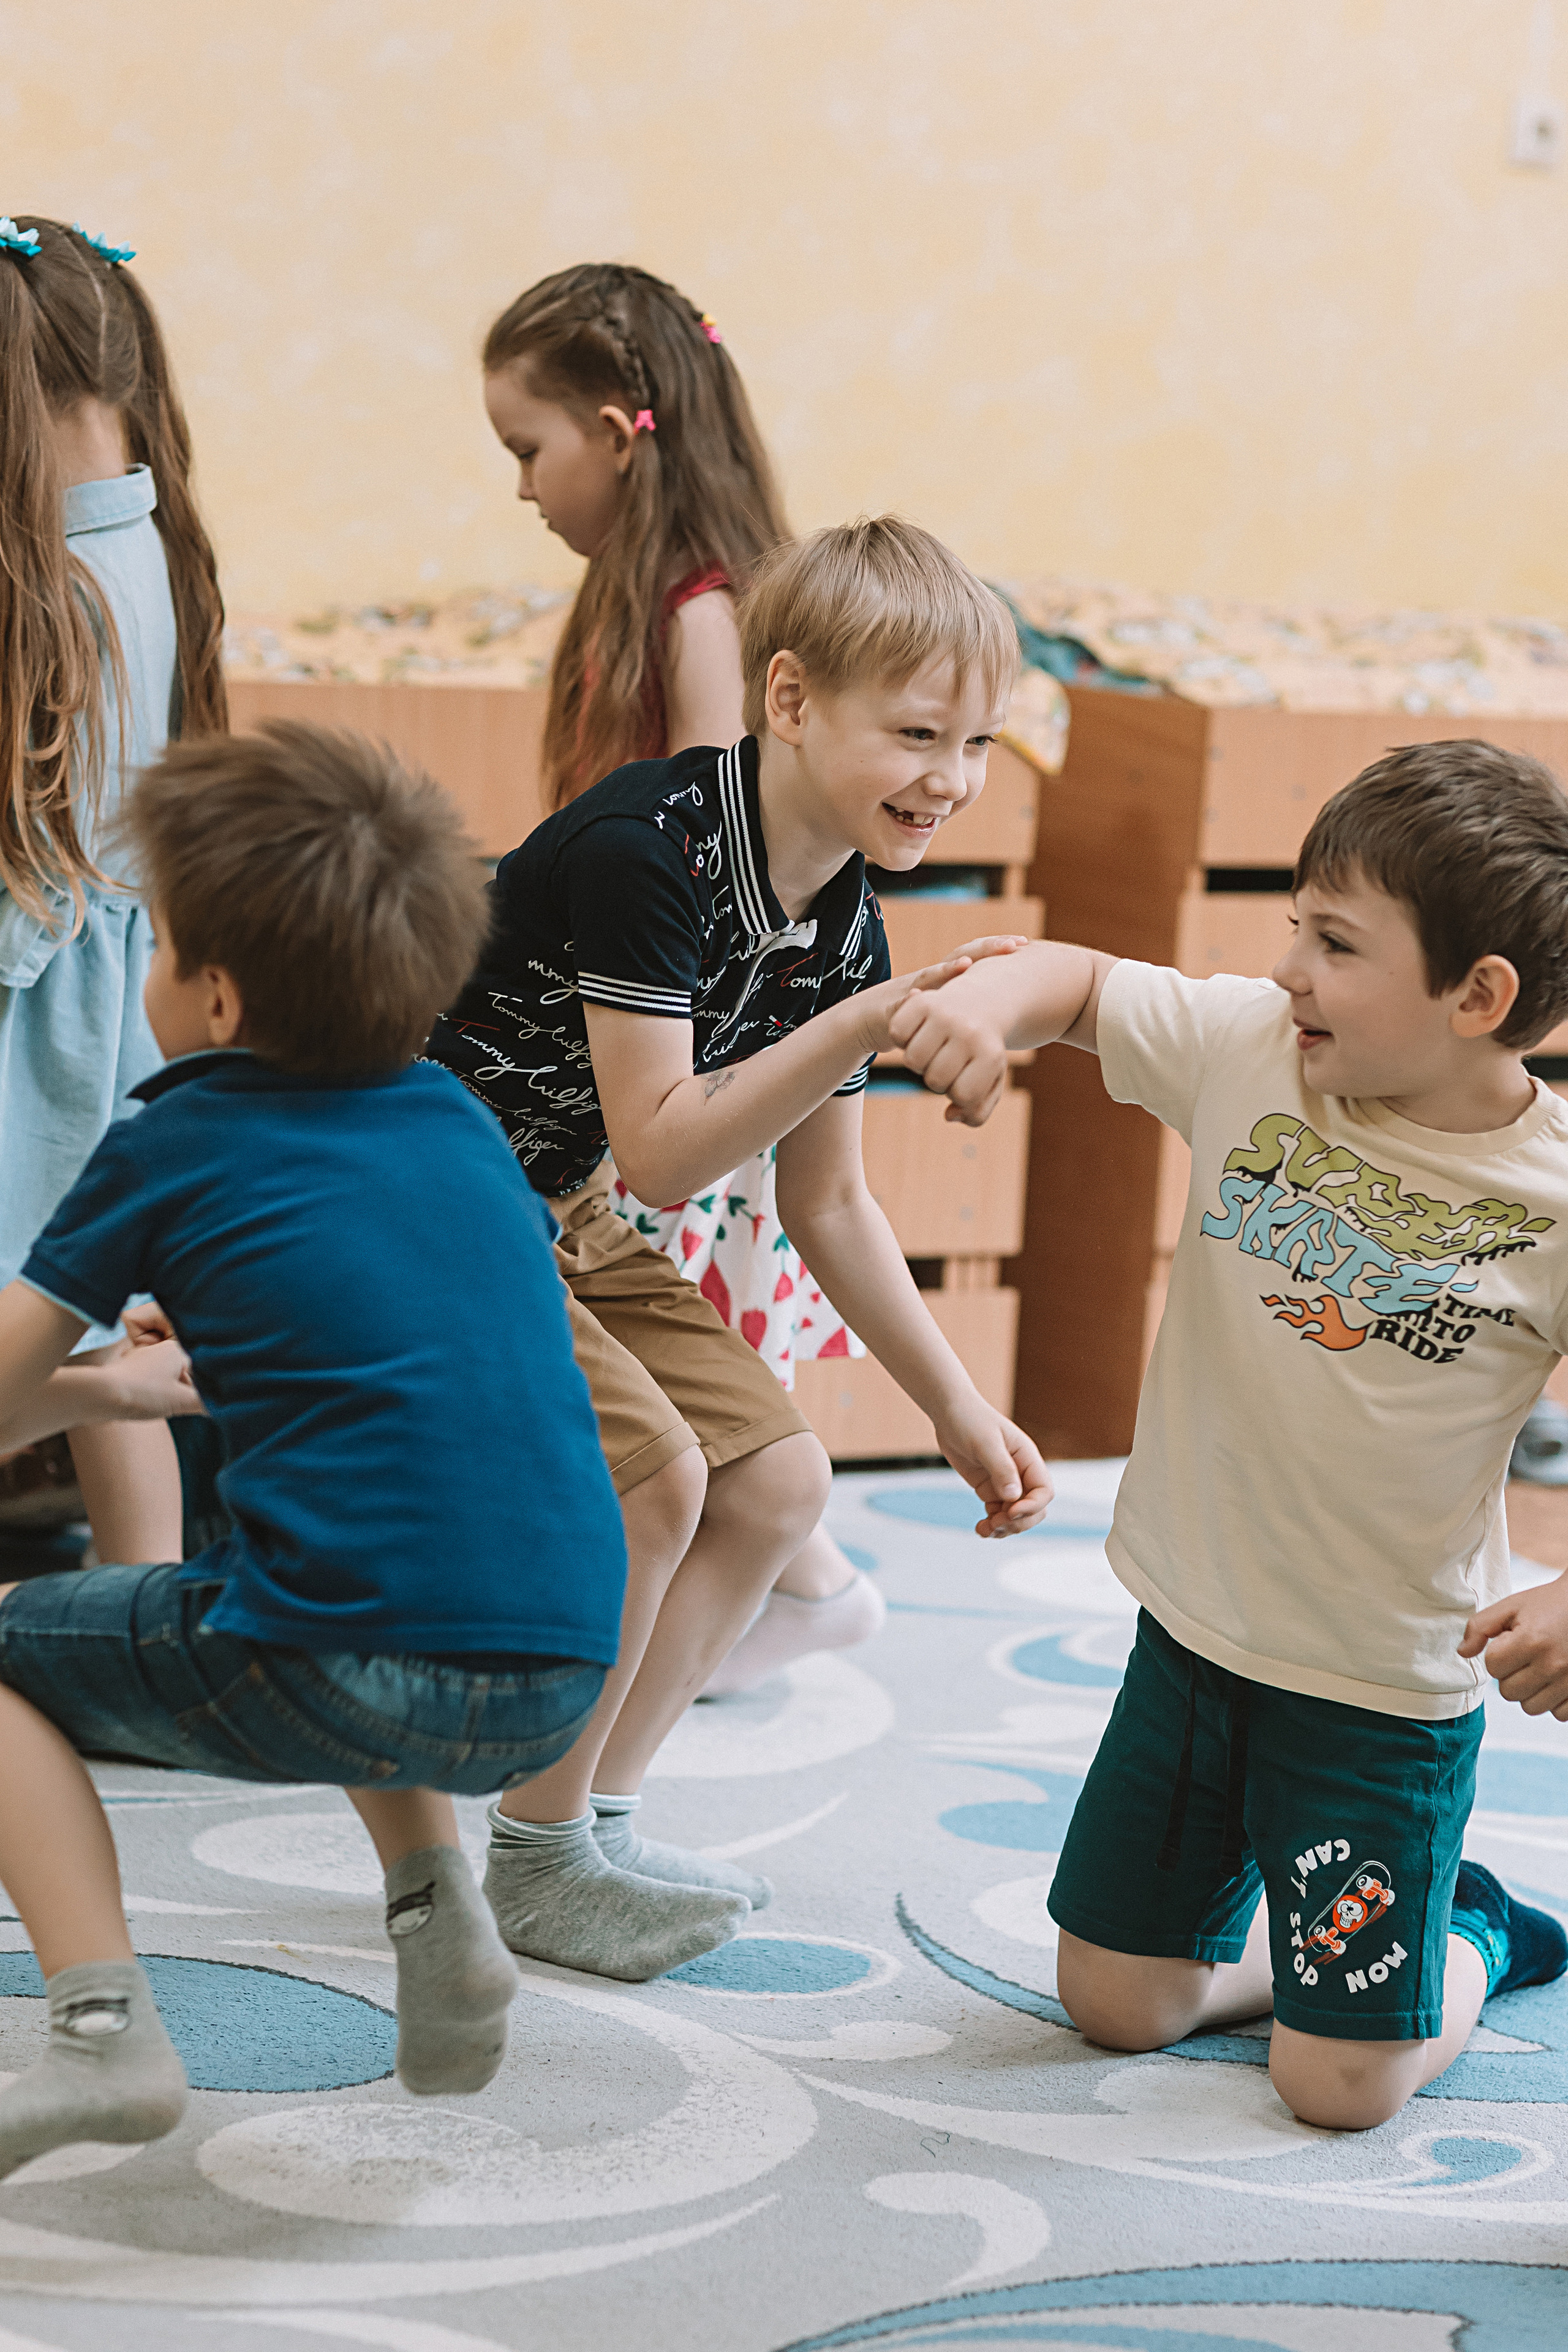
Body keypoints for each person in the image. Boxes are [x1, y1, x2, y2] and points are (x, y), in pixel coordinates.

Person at [887, 737, 1568, 2130]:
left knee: (1336, 2091)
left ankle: (1468, 1936)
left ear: (1475, 996)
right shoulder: (1255, 1052)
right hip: (1191, 1633)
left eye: (1331, 943)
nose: (1286, 970)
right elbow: (1070, 978)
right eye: (1290, 930)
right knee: (1113, 2006)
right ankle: (1322, 1955)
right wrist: (987, 1011)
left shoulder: (1549, 1206)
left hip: (1376, 1687)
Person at [423, 515, 1053, 1980]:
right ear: (786, 700)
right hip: (430, 1189)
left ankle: (591, 1820)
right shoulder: (651, 850)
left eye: (977, 745)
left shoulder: (843, 924)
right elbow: (664, 1147)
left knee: (776, 1484)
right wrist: (850, 1026)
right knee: (660, 1482)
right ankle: (532, 1852)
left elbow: (827, 1201)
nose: (948, 781)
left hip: (557, 1205)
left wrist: (957, 1409)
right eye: (915, 733)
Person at [0, 722, 632, 2179]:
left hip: (334, 1662)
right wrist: (161, 1390)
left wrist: (95, 1395)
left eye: (157, 950)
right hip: (558, 1676)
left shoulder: (168, 1141)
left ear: (211, 994)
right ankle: (440, 1917)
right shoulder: (464, 1124)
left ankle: (103, 2035)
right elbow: (426, 1371)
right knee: (361, 1548)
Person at [481, 260, 883, 1697]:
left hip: (672, 1053)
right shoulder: (645, 596)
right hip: (621, 1027)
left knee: (690, 1391)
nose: (522, 488)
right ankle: (772, 1570)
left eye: (528, 450)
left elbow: (714, 850)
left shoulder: (704, 614)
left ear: (614, 427)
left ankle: (794, 1577)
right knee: (666, 1399)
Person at [0, 213, 227, 1570]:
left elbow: (40, 864)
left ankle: (137, 1585)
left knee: (54, 1315)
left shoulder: (53, 581)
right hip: (113, 985)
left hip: (38, 1008)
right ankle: (140, 1586)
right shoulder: (154, 543)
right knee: (87, 1306)